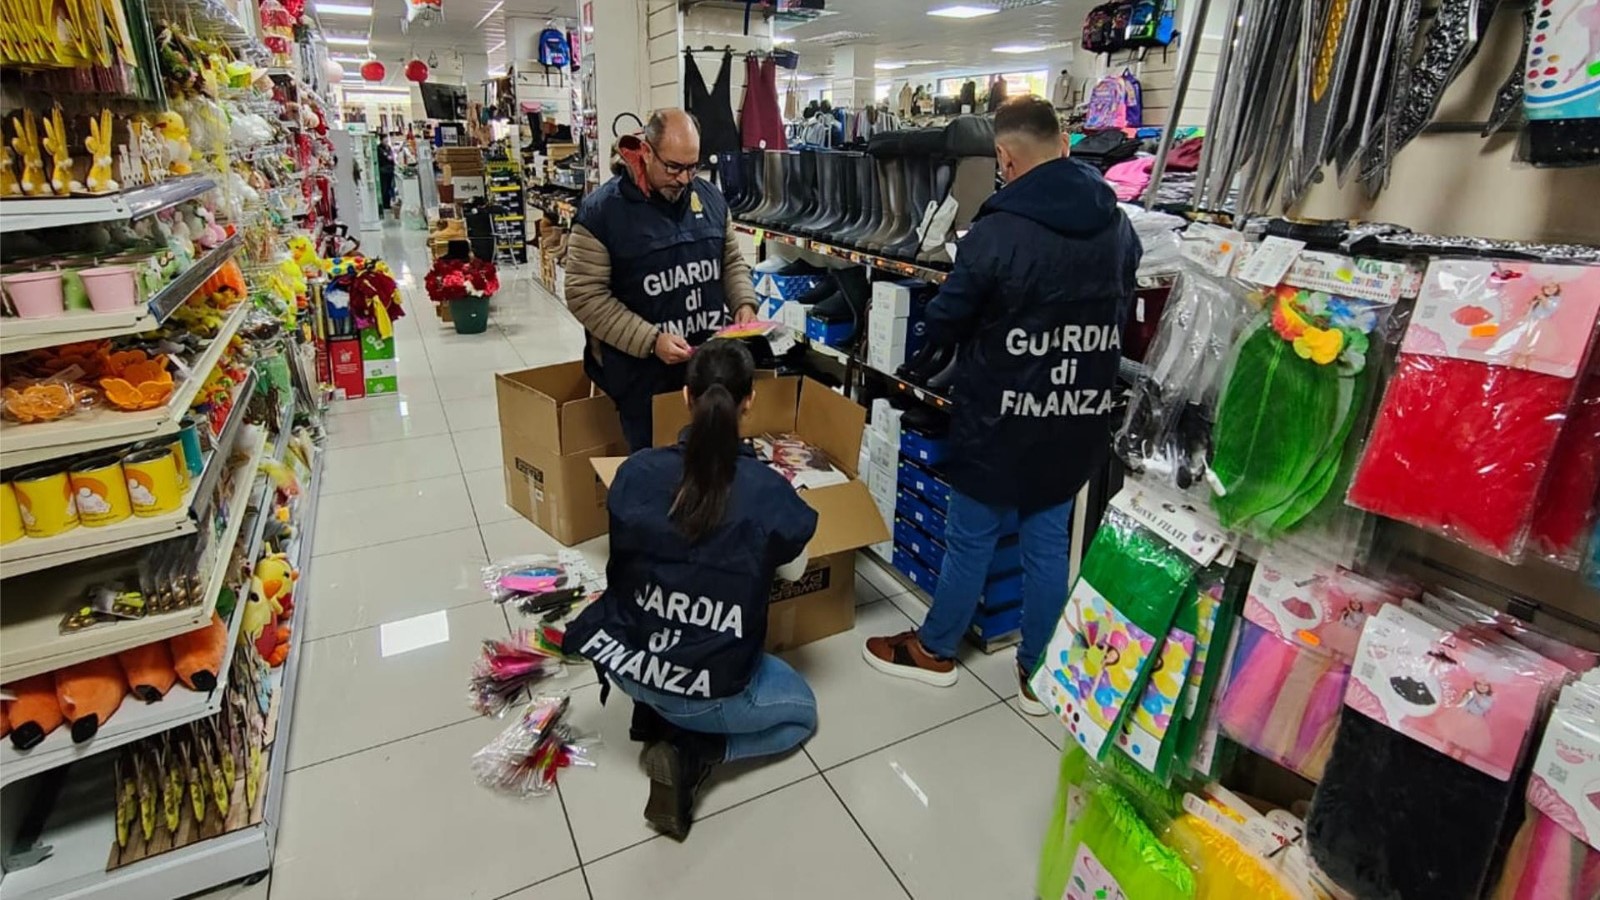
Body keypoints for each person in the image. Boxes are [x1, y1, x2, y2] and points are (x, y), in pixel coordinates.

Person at [862, 96, 1142, 714]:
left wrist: (938, 331)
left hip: (1000, 416)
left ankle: (935, 650)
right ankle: (1037, 671)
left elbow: (948, 317)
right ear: (1063, 146)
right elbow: (1121, 308)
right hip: (1076, 414)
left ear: (1005, 158)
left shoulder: (996, 231)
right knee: (1046, 544)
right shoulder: (1118, 224)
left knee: (971, 539)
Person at [563, 340, 819, 840]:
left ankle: (656, 713)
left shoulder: (637, 470)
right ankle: (693, 752)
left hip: (631, 665)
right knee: (801, 715)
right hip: (709, 688)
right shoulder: (766, 490)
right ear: (749, 401)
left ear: (685, 396)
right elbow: (793, 570)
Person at [565, 109, 760, 452]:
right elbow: (585, 295)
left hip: (706, 373)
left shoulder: (711, 199)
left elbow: (730, 260)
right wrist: (650, 340)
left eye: (693, 166)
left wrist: (743, 302)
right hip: (642, 378)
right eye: (673, 167)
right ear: (646, 151)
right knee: (656, 474)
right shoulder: (601, 214)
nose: (685, 179)